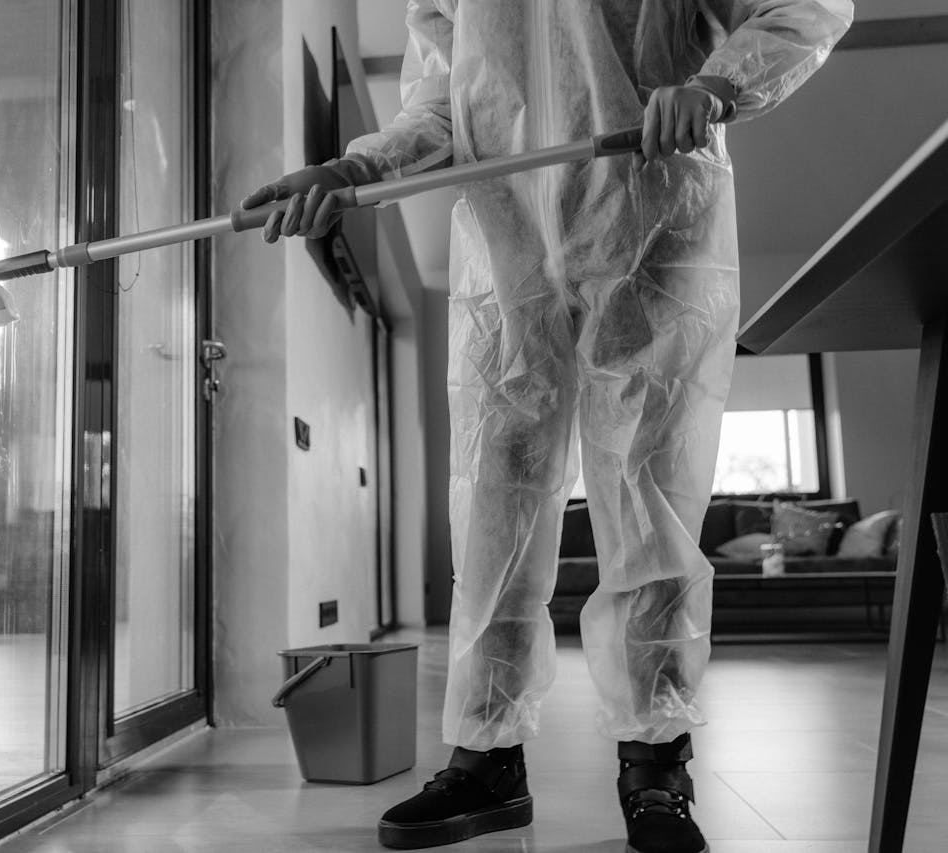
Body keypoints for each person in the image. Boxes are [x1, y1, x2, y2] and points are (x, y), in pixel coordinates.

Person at [243, 2, 852, 850]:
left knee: (652, 498)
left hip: (653, 214)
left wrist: (717, 84)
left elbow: (807, 6)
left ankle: (655, 764)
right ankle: (486, 759)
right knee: (493, 502)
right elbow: (442, 101)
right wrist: (354, 167)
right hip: (508, 247)